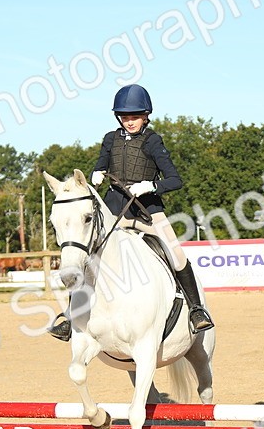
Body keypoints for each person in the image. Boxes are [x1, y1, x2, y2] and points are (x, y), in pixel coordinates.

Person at [48, 83, 214, 341]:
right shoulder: (110, 139)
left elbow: (175, 179)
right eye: (125, 117)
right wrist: (97, 173)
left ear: (146, 115)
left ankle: (196, 310)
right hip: (114, 210)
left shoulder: (153, 141)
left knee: (176, 254)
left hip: (147, 210)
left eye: (135, 116)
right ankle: (71, 317)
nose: (130, 121)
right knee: (86, 254)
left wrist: (152, 186)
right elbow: (100, 166)